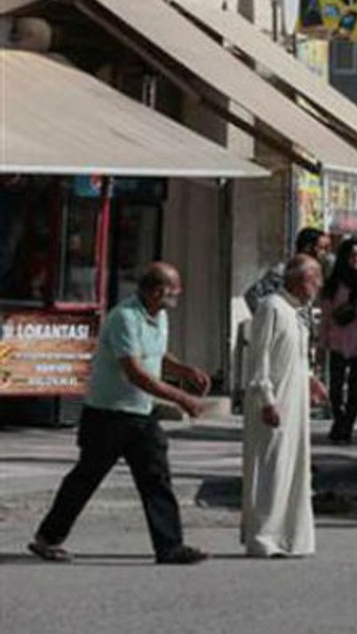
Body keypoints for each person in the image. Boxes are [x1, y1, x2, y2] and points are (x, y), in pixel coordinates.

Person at [28, 262, 211, 565]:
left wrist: (185, 371)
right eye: (173, 288)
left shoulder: (159, 316)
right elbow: (135, 371)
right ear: (155, 291)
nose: (178, 293)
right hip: (108, 415)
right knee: (85, 478)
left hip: (141, 413)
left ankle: (170, 546)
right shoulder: (124, 317)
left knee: (157, 478)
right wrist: (182, 398)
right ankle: (47, 538)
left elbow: (156, 355)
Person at [241, 255, 330, 558]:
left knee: (293, 469)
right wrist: (266, 398)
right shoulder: (271, 307)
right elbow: (261, 356)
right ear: (298, 279)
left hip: (295, 403)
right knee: (271, 469)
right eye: (314, 278)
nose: (318, 285)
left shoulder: (295, 312)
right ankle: (263, 538)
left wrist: (310, 379)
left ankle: (288, 537)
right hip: (274, 403)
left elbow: (293, 355)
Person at [319, 238, 357, 444]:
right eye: (353, 255)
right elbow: (327, 315)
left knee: (356, 387)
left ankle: (347, 427)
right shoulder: (334, 282)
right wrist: (321, 342)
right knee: (335, 387)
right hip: (338, 340)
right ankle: (339, 420)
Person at [244, 228, 333, 315]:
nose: (326, 254)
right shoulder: (283, 271)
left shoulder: (323, 272)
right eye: (323, 248)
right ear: (308, 247)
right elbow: (252, 297)